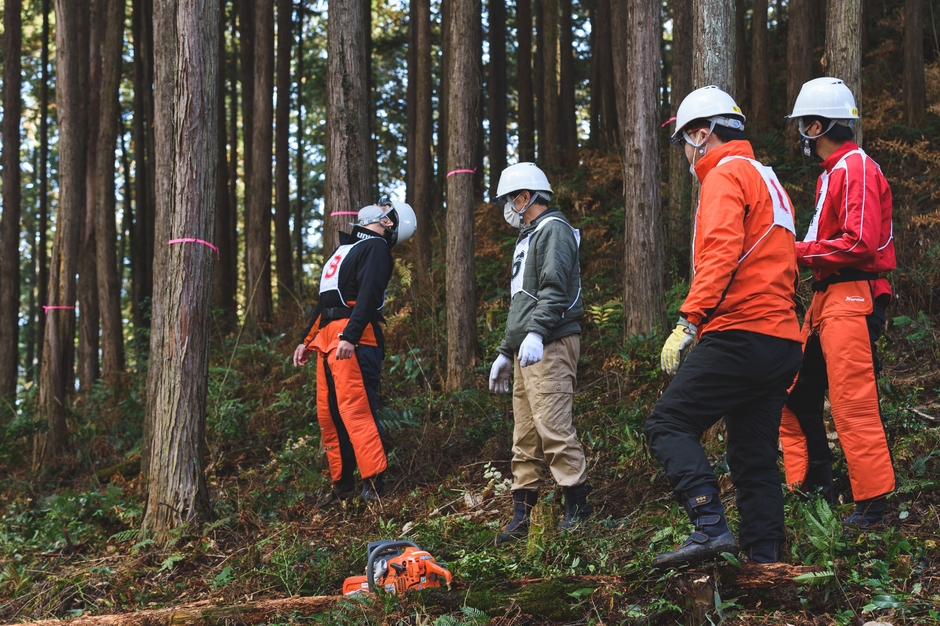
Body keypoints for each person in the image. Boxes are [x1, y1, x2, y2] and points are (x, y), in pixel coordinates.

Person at [646, 86, 803, 567]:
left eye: (686, 143)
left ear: (702, 132)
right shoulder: (768, 178)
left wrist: (688, 321)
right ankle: (765, 556)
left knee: (668, 423)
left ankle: (709, 525)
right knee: (753, 453)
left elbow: (719, 253)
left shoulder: (725, 175)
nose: (686, 155)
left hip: (741, 331)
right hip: (780, 339)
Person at [778, 77, 896, 528]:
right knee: (795, 395)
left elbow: (860, 243)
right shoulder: (834, 173)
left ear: (816, 126)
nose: (800, 137)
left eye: (803, 126)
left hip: (853, 294)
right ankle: (813, 487)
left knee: (852, 401)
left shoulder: (856, 169)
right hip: (828, 300)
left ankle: (874, 503)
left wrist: (795, 252)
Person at [487, 162, 591, 544]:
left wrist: (537, 332)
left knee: (554, 428)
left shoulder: (554, 230)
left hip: (550, 341)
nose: (508, 209)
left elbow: (554, 289)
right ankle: (521, 517)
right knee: (525, 434)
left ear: (526, 197)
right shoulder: (528, 237)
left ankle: (579, 511)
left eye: (510, 200)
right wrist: (505, 350)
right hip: (528, 346)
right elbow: (522, 302)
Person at [292, 198, 416, 506]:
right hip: (329, 340)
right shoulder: (346, 248)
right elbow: (326, 302)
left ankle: (374, 485)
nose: (377, 205)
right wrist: (305, 341)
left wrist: (351, 333)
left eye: (385, 207)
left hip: (354, 341)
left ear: (389, 222)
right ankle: (342, 486)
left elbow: (369, 296)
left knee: (357, 413)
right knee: (330, 416)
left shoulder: (375, 248)